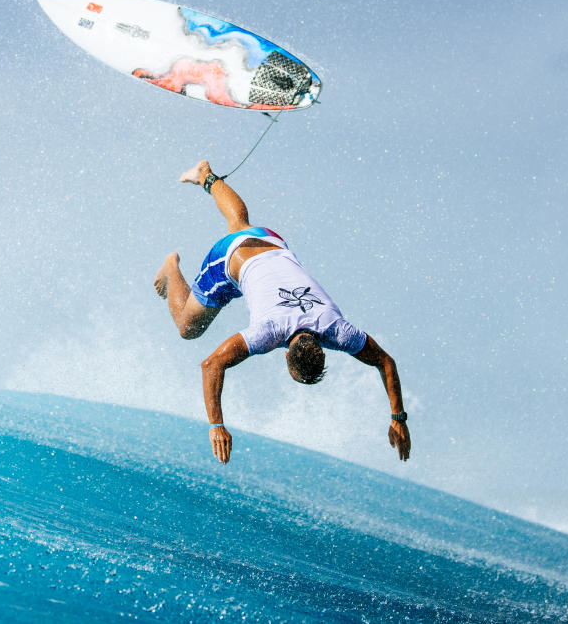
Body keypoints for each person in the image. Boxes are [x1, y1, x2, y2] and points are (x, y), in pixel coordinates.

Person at [154, 160, 411, 465]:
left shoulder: (337, 329)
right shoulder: (270, 333)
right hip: (231, 259)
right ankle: (171, 268)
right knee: (188, 327)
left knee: (240, 222)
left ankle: (206, 176)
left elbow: (385, 361)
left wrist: (398, 417)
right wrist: (217, 426)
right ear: (286, 354)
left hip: (272, 242)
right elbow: (211, 365)